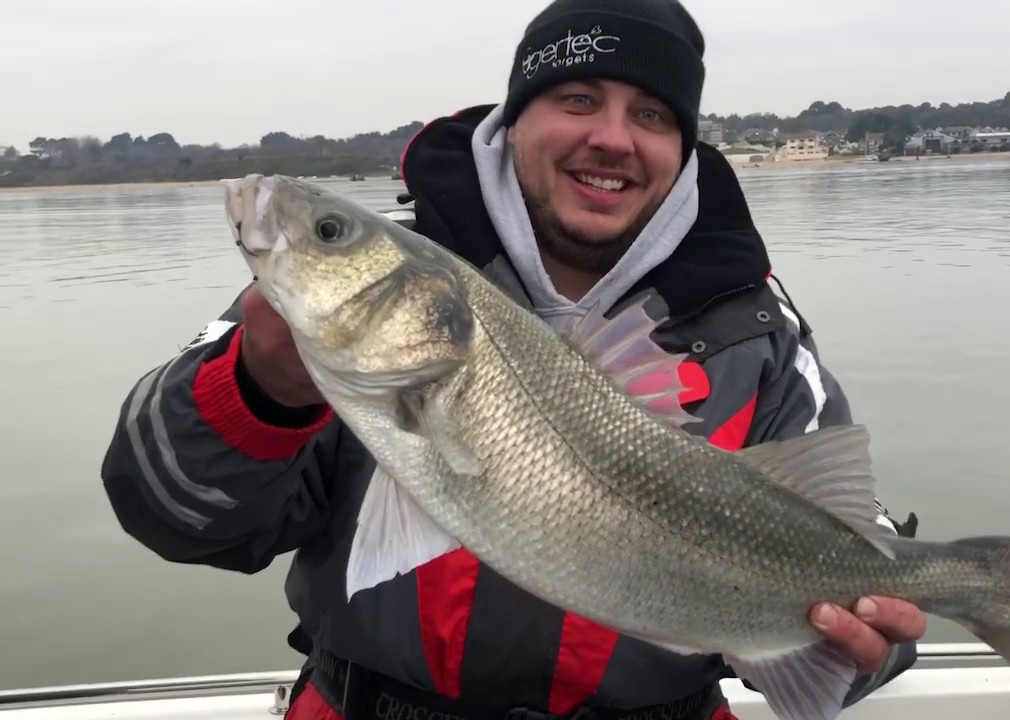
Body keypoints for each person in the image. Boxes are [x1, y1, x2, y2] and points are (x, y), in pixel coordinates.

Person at [99, 0, 925, 718]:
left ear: (682, 148)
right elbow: (169, 514)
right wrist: (260, 392)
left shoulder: (759, 332)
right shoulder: (376, 293)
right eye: (577, 98)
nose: (612, 138)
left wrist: (873, 638)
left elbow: (856, 542)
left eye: (652, 115)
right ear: (512, 119)